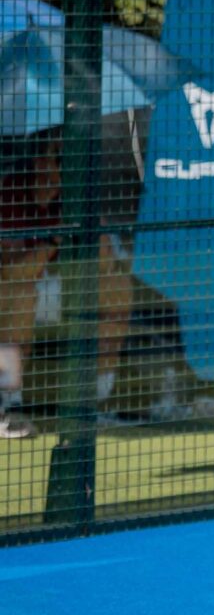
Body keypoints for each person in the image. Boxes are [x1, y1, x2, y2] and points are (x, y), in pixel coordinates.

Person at [0, 128, 134, 437]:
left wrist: (84, 220)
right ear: (40, 160)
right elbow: (12, 273)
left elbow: (105, 262)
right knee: (20, 295)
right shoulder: (10, 193)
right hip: (18, 293)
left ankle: (94, 403)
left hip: (63, 288)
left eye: (72, 157)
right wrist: (55, 237)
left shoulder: (76, 196)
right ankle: (9, 405)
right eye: (59, 157)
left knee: (116, 289)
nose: (67, 165)